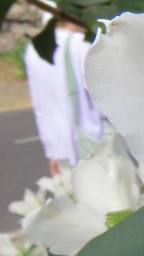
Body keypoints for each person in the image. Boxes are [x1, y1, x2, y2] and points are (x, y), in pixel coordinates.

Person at [24, 19, 105, 176]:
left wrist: (51, 150)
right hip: (95, 145)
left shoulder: (34, 48)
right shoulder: (82, 45)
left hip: (59, 148)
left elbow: (39, 105)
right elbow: (103, 98)